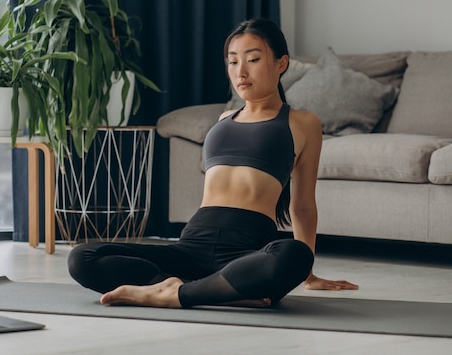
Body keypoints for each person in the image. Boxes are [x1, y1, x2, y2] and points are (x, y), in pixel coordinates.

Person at [67, 18, 358, 308]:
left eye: (253, 59)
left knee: (295, 255)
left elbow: (303, 204)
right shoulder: (223, 120)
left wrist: (306, 274)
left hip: (247, 251)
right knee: (82, 257)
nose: (240, 71)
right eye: (232, 62)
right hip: (191, 246)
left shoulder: (303, 122)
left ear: (281, 64)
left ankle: (178, 295)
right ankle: (182, 287)